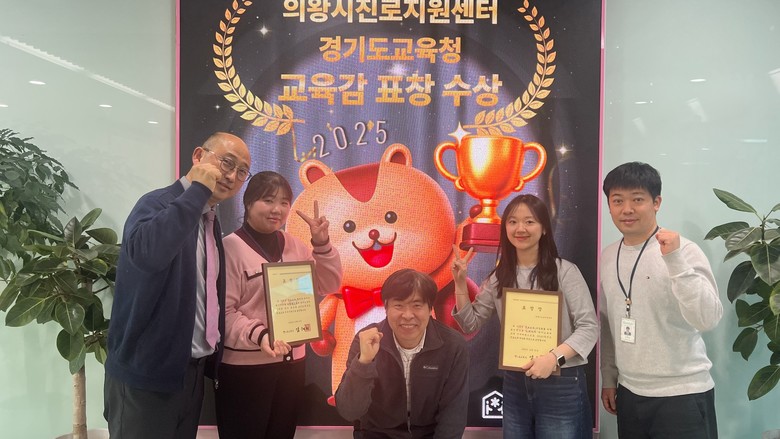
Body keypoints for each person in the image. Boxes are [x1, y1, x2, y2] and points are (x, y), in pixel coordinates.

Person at [104, 132, 251, 439]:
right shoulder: (157, 203)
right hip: (147, 376)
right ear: (198, 156)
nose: (231, 176)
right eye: (227, 162)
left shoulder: (210, 219)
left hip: (190, 373)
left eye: (242, 171)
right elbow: (148, 254)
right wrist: (197, 191)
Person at [451, 194, 598, 438]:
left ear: (544, 229)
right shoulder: (499, 276)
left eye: (529, 221)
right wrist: (459, 284)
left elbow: (589, 327)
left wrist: (553, 358)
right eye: (513, 222)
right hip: (516, 381)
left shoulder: (565, 272)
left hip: (560, 382)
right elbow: (469, 323)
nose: (520, 229)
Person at [214, 171, 343, 439]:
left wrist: (321, 243)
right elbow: (223, 313)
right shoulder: (229, 248)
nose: (277, 209)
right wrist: (261, 335)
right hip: (245, 368)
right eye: (268, 200)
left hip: (291, 366)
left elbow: (329, 284)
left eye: (284, 202)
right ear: (248, 202)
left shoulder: (295, 246)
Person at [599, 162, 722, 438]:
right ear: (609, 206)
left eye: (637, 199)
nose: (627, 209)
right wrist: (609, 377)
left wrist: (675, 260)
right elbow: (608, 322)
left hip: (682, 394)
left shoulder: (684, 251)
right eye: (617, 201)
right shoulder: (608, 256)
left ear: (656, 203)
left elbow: (708, 318)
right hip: (629, 393)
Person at [335, 269, 469, 438]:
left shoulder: (453, 345)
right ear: (386, 308)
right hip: (377, 434)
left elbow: (453, 415)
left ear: (430, 308)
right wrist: (364, 362)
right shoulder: (367, 340)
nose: (407, 315)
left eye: (417, 305)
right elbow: (349, 411)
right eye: (398, 305)